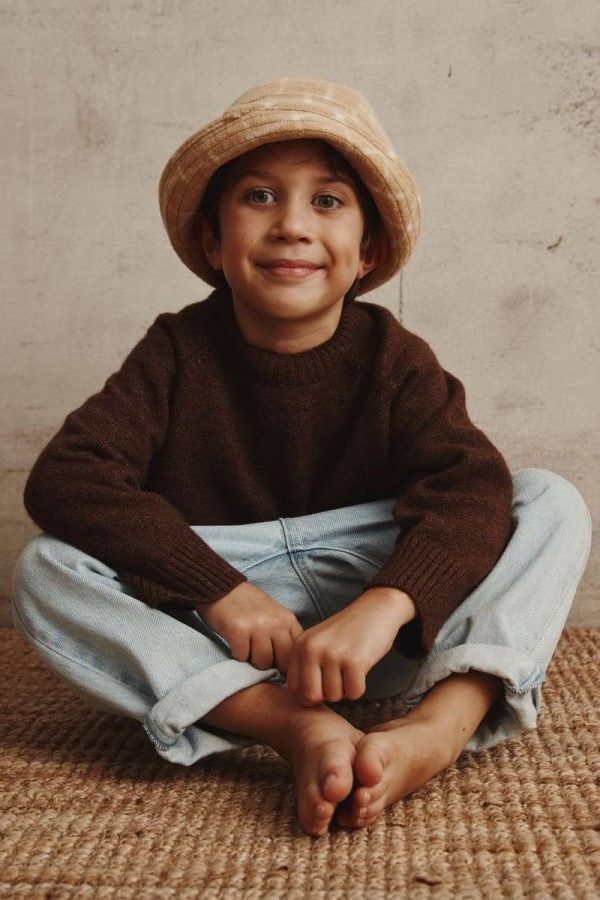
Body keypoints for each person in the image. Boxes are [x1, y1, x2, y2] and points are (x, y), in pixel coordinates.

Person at [11, 78, 592, 838]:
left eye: (327, 201)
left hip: (376, 624)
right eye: (258, 196)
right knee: (47, 569)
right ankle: (288, 726)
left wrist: (388, 605)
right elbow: (69, 476)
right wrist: (219, 590)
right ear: (214, 243)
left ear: (367, 252)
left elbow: (468, 486)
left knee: (546, 499)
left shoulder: (393, 356)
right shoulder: (176, 351)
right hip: (238, 634)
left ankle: (440, 726)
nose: (292, 226)